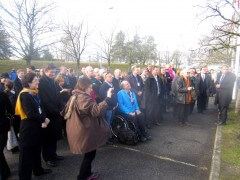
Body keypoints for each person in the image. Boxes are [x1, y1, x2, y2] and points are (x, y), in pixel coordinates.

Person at [62, 77, 112, 180]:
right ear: (83, 87)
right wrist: (107, 98)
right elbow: (96, 111)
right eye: (89, 87)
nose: (91, 89)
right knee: (90, 154)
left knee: (90, 152)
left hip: (81, 129)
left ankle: (87, 173)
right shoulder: (84, 98)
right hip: (85, 130)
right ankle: (82, 176)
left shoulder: (76, 95)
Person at [15, 73, 52, 179]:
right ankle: (24, 177)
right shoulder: (25, 95)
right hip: (28, 130)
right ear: (28, 82)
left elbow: (41, 107)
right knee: (26, 157)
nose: (38, 81)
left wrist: (43, 118)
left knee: (37, 151)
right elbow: (30, 113)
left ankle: (38, 170)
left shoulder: (35, 93)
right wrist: (44, 119)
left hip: (36, 127)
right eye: (36, 80)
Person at [38, 64, 64, 167]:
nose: (52, 74)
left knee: (54, 136)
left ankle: (53, 154)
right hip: (48, 114)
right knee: (47, 138)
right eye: (51, 72)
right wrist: (57, 111)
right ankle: (47, 158)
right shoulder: (42, 83)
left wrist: (63, 107)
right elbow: (45, 101)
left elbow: (58, 96)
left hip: (56, 113)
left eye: (54, 72)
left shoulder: (53, 81)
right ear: (45, 70)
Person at [99, 72, 118, 144]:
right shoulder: (103, 86)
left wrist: (116, 103)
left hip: (113, 106)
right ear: (105, 78)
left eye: (111, 76)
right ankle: (106, 139)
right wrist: (113, 104)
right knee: (107, 123)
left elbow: (115, 95)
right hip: (108, 108)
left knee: (110, 122)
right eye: (109, 76)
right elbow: (106, 98)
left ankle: (109, 135)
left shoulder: (112, 85)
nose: (111, 77)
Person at [4, 80, 20, 153]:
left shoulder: (5, 93)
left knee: (11, 132)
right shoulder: (12, 95)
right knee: (14, 131)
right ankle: (14, 147)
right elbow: (13, 106)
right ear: (13, 86)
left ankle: (13, 146)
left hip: (8, 116)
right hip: (13, 116)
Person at [0, 89, 12, 180]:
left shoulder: (2, 94)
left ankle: (4, 172)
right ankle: (4, 171)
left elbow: (10, 109)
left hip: (1, 126)